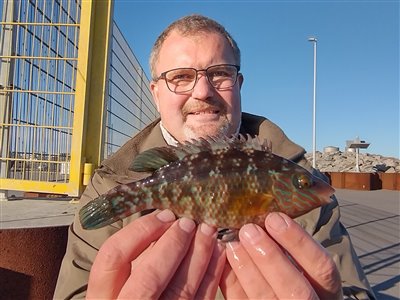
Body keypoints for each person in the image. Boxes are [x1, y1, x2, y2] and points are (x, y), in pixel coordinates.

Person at [54, 14, 375, 299]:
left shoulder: (302, 180)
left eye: (219, 73)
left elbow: (354, 290)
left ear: (239, 84)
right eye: (180, 77)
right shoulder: (111, 185)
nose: (202, 91)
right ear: (155, 92)